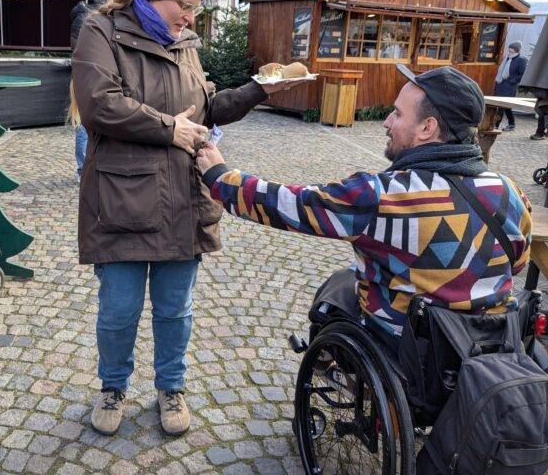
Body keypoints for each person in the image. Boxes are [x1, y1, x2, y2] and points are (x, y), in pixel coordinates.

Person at [72, 0, 299, 436]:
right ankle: (113, 386)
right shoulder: (103, 31)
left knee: (176, 308)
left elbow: (206, 108)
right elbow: (98, 104)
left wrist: (261, 88)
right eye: (188, 4)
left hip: (181, 195)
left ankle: (171, 387)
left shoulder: (185, 42)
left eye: (196, 8)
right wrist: (167, 129)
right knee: (119, 310)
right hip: (122, 197)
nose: (192, 17)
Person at [196, 65, 531, 349]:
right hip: (487, 347)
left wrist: (220, 177)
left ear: (427, 128)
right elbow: (516, 265)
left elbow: (295, 205)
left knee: (340, 288)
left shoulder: (383, 195)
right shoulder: (511, 192)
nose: (386, 122)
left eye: (398, 113)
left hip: (408, 347)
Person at [68, 0, 109, 184]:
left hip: (87, 74)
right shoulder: (87, 20)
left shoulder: (85, 18)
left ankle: (86, 168)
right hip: (86, 75)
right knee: (83, 123)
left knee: (85, 123)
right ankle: (82, 169)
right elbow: (82, 51)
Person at [494, 41, 528, 132]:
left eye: (512, 48)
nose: (510, 50)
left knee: (502, 106)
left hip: (510, 87)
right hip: (501, 84)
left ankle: (495, 126)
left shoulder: (521, 60)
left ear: (516, 49)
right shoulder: (507, 58)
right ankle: (512, 124)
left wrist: (513, 81)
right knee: (505, 106)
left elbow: (523, 74)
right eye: (510, 48)